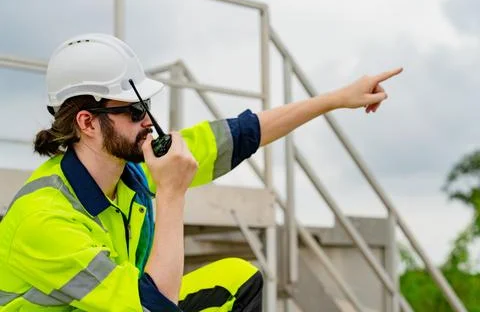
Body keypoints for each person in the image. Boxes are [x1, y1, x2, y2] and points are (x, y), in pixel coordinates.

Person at [0, 33, 402, 311]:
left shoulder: (129, 171)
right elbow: (153, 307)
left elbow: (242, 133)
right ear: (87, 123)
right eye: (135, 110)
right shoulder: (45, 218)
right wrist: (172, 193)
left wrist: (336, 99)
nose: (148, 121)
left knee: (238, 280)